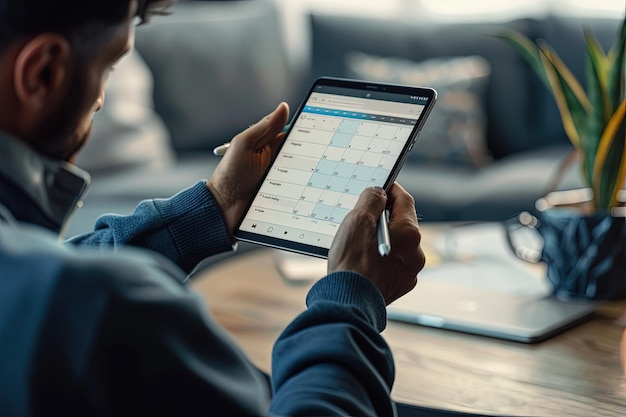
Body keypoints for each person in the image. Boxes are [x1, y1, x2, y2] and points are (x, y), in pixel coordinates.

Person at [0, 0, 425, 416]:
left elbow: (40, 275)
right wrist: (351, 300)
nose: (98, 101)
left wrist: (218, 203)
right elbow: (68, 290)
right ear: (43, 72)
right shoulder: (109, 308)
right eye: (109, 66)